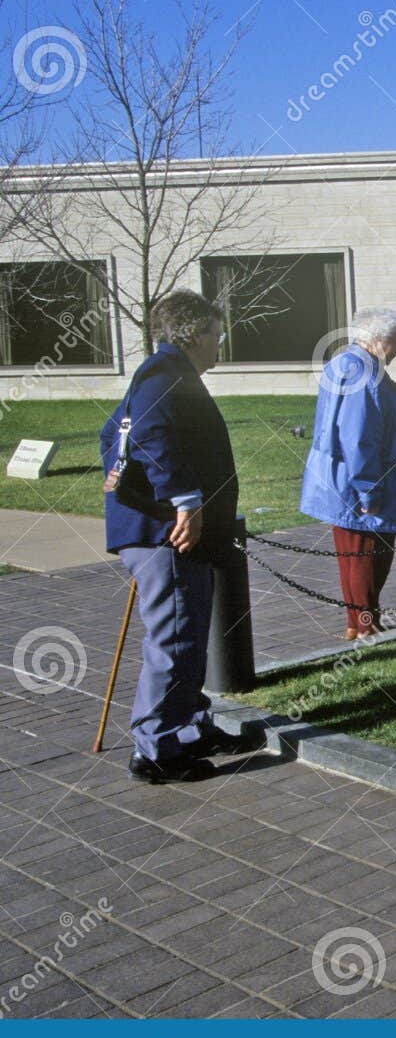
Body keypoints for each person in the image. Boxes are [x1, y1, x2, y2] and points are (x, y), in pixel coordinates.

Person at [101, 289, 246, 784]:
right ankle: (157, 748)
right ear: (194, 333)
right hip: (167, 536)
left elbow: (111, 438)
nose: (220, 343)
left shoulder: (161, 373)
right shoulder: (164, 375)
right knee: (176, 639)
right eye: (216, 333)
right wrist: (183, 500)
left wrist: (122, 483)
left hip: (163, 532)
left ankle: (188, 726)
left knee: (186, 637)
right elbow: (146, 436)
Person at [299, 307, 396, 638]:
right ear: (378, 340)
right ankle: (366, 627)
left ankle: (357, 624)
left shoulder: (346, 364)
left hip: (340, 480)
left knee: (353, 556)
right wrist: (369, 491)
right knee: (367, 557)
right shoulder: (363, 374)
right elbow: (358, 438)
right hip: (358, 484)